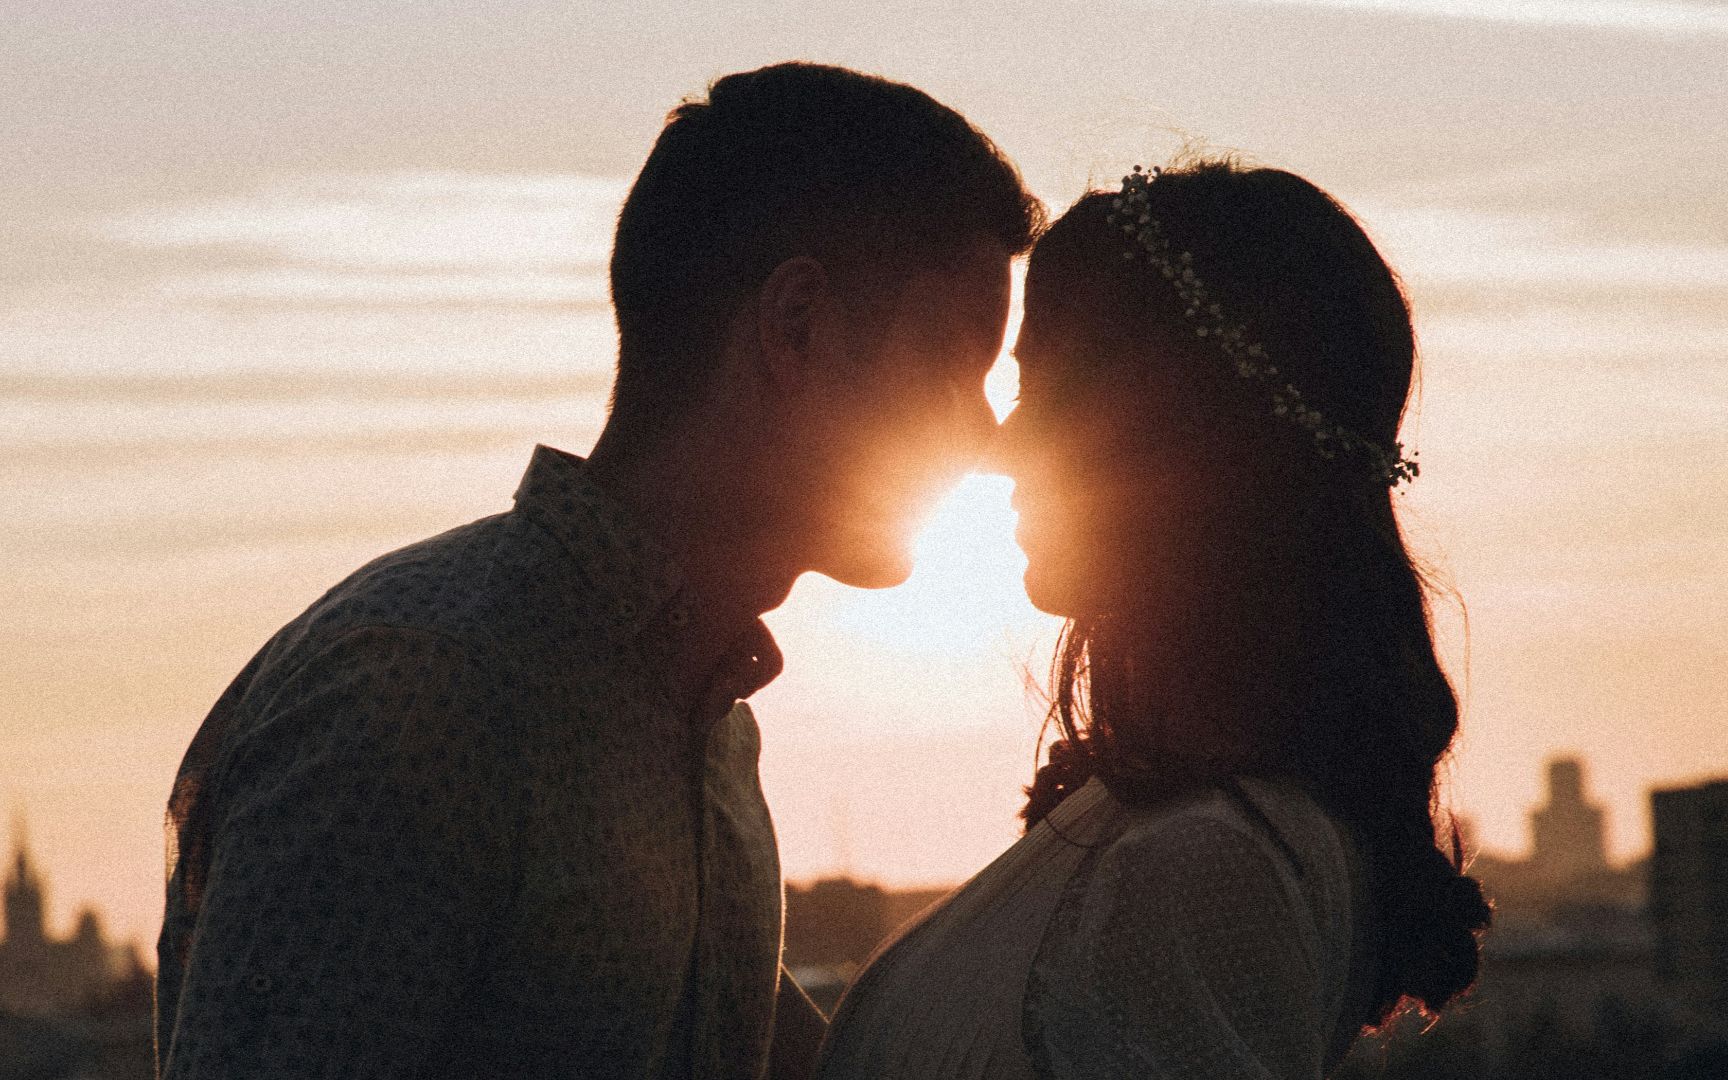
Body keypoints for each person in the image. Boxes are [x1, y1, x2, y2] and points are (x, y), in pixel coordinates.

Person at [155, 62, 1043, 1080]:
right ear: (796, 326)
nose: (986, 436)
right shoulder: (418, 694)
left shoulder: (708, 725)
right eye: (955, 364)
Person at [813, 163, 1491, 1079]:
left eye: (1043, 391)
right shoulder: (1169, 826)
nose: (999, 447)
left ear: (1180, 432)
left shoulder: (1202, 867)